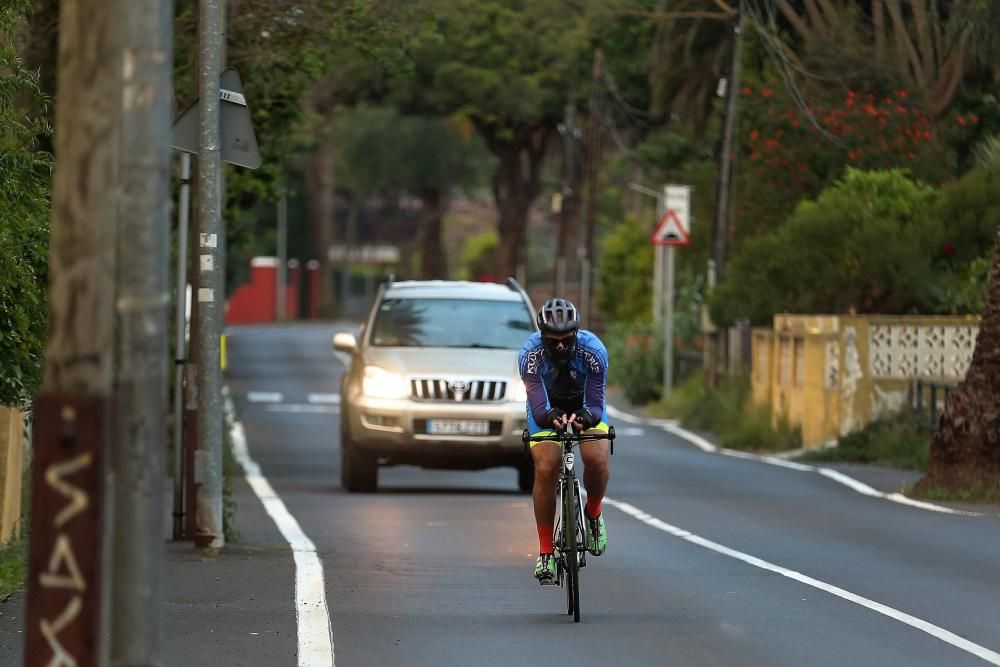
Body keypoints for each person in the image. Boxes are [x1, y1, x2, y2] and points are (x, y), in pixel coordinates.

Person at [517, 298, 611, 583]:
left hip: (585, 404)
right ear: (542, 336)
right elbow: (537, 406)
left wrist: (584, 419)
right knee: (547, 467)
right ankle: (546, 552)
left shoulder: (594, 351)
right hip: (547, 406)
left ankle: (593, 514)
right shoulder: (530, 354)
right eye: (552, 340)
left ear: (575, 334)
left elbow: (595, 405)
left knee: (595, 459)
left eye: (566, 339)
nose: (559, 346)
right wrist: (550, 417)